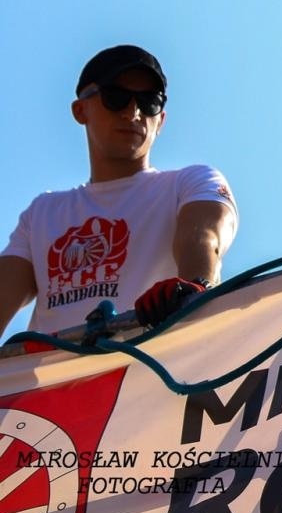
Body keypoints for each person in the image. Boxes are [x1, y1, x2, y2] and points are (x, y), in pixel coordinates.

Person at [0, 45, 238, 336]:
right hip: (58, 367)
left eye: (149, 101)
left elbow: (203, 238)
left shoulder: (192, 183)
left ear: (161, 120)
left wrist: (194, 288)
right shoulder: (42, 213)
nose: (133, 112)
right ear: (80, 110)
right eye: (116, 97)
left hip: (149, 363)